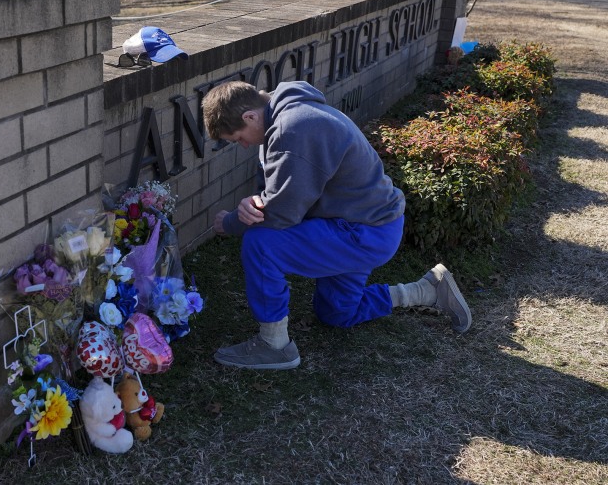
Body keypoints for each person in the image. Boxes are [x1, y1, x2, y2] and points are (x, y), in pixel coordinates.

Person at [201, 80, 472, 370]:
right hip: (366, 223)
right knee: (337, 312)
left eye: (238, 138)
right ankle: (427, 290)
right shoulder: (286, 116)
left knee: (261, 243)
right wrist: (254, 203)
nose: (243, 145)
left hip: (363, 232)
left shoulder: (293, 129)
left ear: (250, 117)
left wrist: (230, 222)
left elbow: (281, 213)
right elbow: (276, 193)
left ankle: (274, 345)